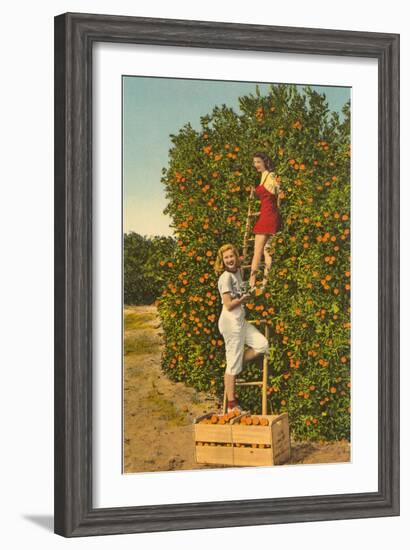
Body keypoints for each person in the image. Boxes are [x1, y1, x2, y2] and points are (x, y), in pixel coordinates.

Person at [214, 243, 269, 413]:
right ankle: (232, 405)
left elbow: (251, 261)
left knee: (262, 345)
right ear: (222, 261)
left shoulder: (238, 271)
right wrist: (244, 299)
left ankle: (237, 363)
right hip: (230, 323)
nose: (229, 260)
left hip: (241, 322)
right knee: (232, 366)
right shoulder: (225, 278)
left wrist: (266, 253)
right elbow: (229, 304)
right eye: (226, 258)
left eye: (232, 256)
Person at [249, 152, 281, 290]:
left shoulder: (270, 175)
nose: (255, 165)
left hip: (267, 216)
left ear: (264, 162)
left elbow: (277, 193)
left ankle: (251, 283)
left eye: (258, 162)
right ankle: (264, 284)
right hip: (270, 215)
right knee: (267, 251)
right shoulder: (264, 175)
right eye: (254, 162)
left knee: (258, 251)